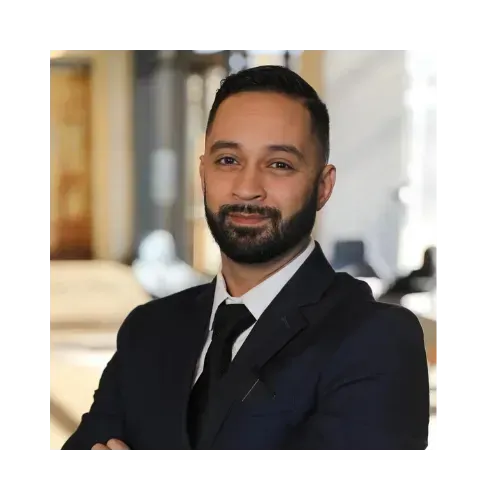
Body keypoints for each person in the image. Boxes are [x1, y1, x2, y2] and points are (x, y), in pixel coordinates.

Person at [62, 65, 429, 456]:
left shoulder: (375, 340)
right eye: (228, 160)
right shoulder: (148, 330)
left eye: (279, 164)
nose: (247, 188)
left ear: (323, 187)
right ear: (203, 173)